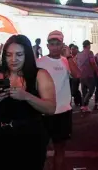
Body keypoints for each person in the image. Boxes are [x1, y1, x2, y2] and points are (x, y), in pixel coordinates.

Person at [0, 34, 56, 170]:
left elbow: (51, 108)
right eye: (9, 55)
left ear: (27, 55)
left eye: (19, 54)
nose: (13, 59)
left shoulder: (40, 75)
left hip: (31, 141)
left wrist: (27, 96)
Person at [37, 30, 80, 170]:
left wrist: (69, 57)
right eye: (52, 44)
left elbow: (77, 75)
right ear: (47, 45)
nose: (55, 47)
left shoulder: (66, 61)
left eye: (58, 44)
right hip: (43, 111)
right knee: (39, 150)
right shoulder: (39, 62)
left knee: (60, 149)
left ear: (63, 45)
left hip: (62, 111)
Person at [76, 40, 98, 112]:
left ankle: (84, 106)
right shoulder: (90, 53)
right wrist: (97, 71)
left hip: (81, 75)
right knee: (91, 89)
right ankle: (85, 103)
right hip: (89, 74)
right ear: (88, 45)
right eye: (89, 45)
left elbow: (76, 63)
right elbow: (93, 63)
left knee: (84, 91)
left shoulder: (79, 54)